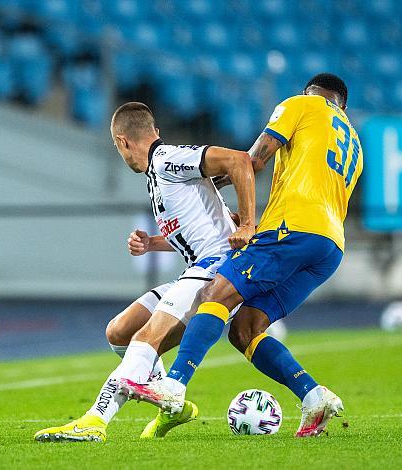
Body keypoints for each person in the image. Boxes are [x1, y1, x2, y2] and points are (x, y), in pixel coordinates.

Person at [120, 73, 364, 437]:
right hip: (329, 246)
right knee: (246, 327)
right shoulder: (354, 142)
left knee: (215, 292)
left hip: (293, 228)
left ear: (311, 94)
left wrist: (198, 185)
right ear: (342, 104)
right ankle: (314, 396)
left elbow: (253, 160)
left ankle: (173, 385)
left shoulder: (301, 104)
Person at [34, 102, 255, 443]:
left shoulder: (167, 158)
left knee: (145, 338)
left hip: (217, 270)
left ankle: (94, 421)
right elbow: (198, 228)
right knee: (120, 332)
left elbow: (239, 160)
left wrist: (250, 224)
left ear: (123, 142)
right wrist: (154, 243)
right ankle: (172, 407)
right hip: (197, 268)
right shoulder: (160, 170)